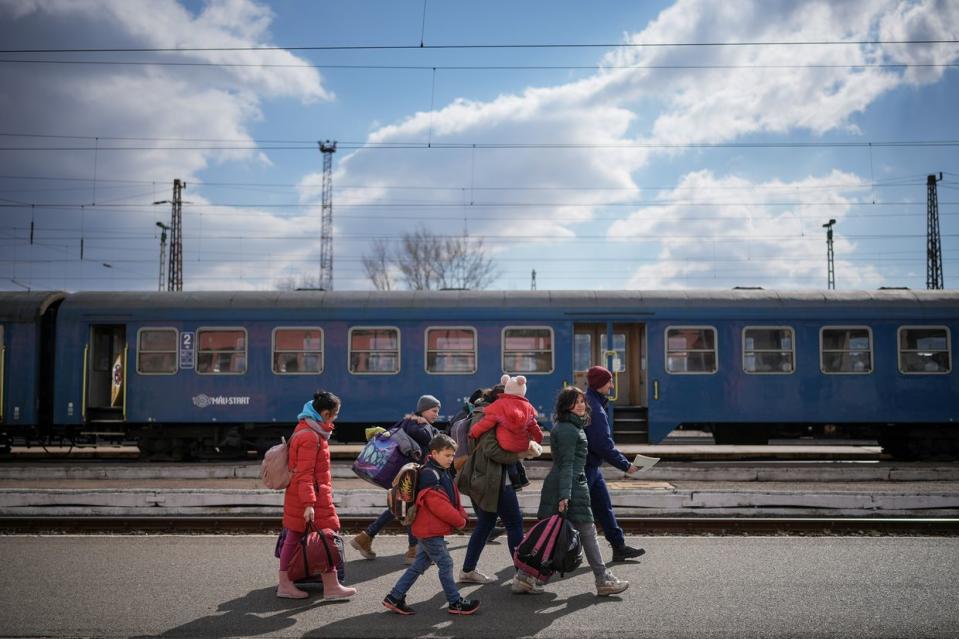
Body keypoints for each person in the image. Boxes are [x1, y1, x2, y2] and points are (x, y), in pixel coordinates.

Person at [530, 386, 629, 596]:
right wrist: (565, 495)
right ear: (567, 406)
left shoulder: (572, 427)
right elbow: (566, 465)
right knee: (586, 532)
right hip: (570, 486)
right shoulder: (568, 430)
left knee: (554, 534)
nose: (582, 405)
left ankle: (524, 577)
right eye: (577, 402)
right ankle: (603, 580)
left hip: (571, 484)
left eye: (583, 401)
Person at [383, 434, 480, 616]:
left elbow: (451, 498)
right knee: (446, 563)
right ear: (434, 453)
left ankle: (394, 597)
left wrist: (461, 513)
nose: (451, 459)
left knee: (419, 565)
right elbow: (439, 504)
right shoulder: (430, 474)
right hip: (429, 530)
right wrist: (459, 520)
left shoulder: (438, 470)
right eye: (447, 455)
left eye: (452, 455)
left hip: (428, 528)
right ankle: (455, 602)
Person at [277, 390, 356, 600]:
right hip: (309, 498)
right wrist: (309, 504)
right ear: (325, 413)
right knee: (321, 537)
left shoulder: (309, 430)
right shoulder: (311, 436)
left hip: (309, 496)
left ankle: (330, 585)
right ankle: (289, 585)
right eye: (335, 414)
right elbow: (304, 474)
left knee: (315, 538)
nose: (336, 418)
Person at [457, 385, 538, 589]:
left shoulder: (489, 413)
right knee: (514, 524)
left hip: (488, 478)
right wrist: (519, 454)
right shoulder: (486, 416)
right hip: (493, 479)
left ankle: (468, 570)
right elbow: (491, 449)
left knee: (485, 524)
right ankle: (522, 575)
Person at [351, 394, 442, 564]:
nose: (436, 414)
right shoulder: (416, 424)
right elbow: (430, 439)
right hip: (408, 475)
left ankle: (365, 538)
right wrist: (431, 428)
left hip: (405, 474)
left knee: (401, 507)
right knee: (407, 508)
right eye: (433, 410)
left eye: (437, 411)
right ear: (423, 410)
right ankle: (412, 551)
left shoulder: (411, 422)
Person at [584, 366, 645, 562]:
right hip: (586, 468)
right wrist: (626, 465)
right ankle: (545, 552)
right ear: (600, 384)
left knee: (604, 506)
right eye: (609, 381)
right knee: (571, 514)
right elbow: (603, 445)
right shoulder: (594, 407)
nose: (612, 385)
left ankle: (619, 547)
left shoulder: (594, 402)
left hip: (592, 466)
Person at [469, 374, 544, 454]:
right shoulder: (528, 407)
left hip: (505, 444)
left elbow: (486, 423)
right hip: (523, 445)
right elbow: (534, 426)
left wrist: (473, 433)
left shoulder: (499, 404)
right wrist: (539, 439)